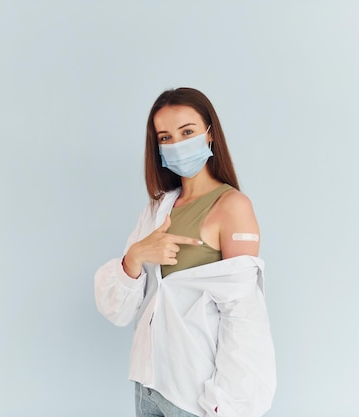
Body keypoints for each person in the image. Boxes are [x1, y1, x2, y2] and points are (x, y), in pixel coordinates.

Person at [94, 87, 276, 417]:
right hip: (147, 386)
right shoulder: (156, 210)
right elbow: (117, 310)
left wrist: (227, 403)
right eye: (165, 137)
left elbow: (243, 315)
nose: (176, 144)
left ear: (209, 134)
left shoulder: (231, 206)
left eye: (187, 132)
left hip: (196, 395)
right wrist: (134, 256)